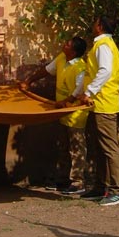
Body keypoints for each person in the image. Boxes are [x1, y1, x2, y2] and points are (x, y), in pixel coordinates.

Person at [18, 36, 90, 194]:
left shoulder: (80, 67)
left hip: (75, 112)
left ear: (74, 51)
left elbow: (80, 89)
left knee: (77, 148)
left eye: (68, 44)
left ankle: (78, 182)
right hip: (61, 111)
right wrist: (28, 81)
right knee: (63, 146)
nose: (64, 45)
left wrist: (67, 101)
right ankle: (63, 179)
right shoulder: (62, 58)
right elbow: (46, 70)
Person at [76, 14, 119, 206]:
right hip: (98, 103)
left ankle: (116, 190)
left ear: (99, 26)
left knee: (109, 147)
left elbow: (105, 71)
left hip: (104, 102)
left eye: (94, 22)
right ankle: (101, 186)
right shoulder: (101, 45)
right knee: (100, 147)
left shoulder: (104, 46)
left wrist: (89, 91)